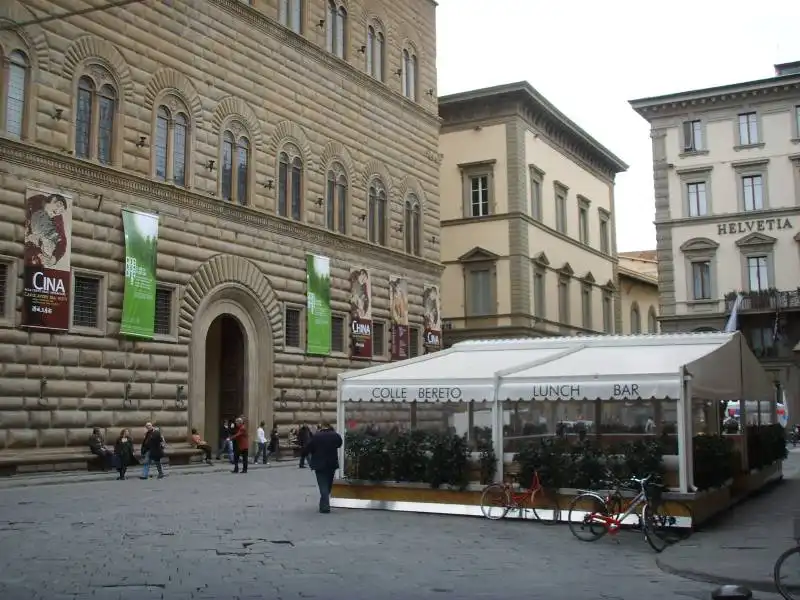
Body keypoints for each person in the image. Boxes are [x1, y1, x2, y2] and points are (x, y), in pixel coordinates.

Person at [302, 422, 343, 514]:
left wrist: (307, 453)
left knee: (323, 485)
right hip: (331, 463)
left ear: (321, 427)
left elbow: (309, 448)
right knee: (328, 485)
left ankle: (325, 507)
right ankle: (323, 504)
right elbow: (339, 444)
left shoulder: (317, 436)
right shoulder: (335, 435)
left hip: (319, 464)